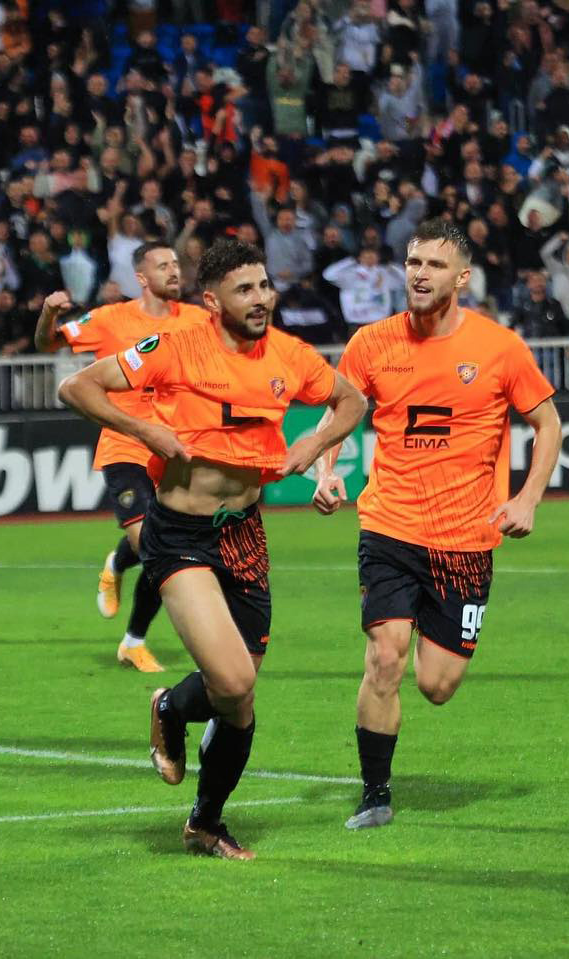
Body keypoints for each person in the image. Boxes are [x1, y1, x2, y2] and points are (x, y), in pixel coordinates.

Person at [58, 239, 367, 859]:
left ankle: (205, 821)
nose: (261, 299)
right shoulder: (174, 347)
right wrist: (143, 428)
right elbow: (78, 387)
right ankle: (174, 709)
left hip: (245, 534)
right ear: (212, 300)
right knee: (232, 679)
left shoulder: (290, 355)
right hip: (180, 534)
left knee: (239, 697)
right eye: (244, 289)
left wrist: (315, 448)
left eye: (264, 286)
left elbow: (353, 400)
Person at [310, 220, 563, 830]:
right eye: (413, 262)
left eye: (435, 264)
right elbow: (339, 412)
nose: (420, 274)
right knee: (385, 656)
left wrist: (527, 499)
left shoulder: (500, 347)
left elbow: (548, 423)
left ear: (462, 277)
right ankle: (375, 795)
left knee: (438, 685)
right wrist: (326, 469)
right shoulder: (371, 343)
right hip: (389, 525)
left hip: (466, 539)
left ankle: (428, 631)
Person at [32, 242, 210, 673]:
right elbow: (47, 343)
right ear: (141, 278)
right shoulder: (111, 318)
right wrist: (49, 313)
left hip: (174, 449)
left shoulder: (198, 319)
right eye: (162, 265)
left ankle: (125, 603)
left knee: (163, 544)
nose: (173, 271)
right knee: (156, 549)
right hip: (125, 445)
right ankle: (135, 640)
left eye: (175, 264)